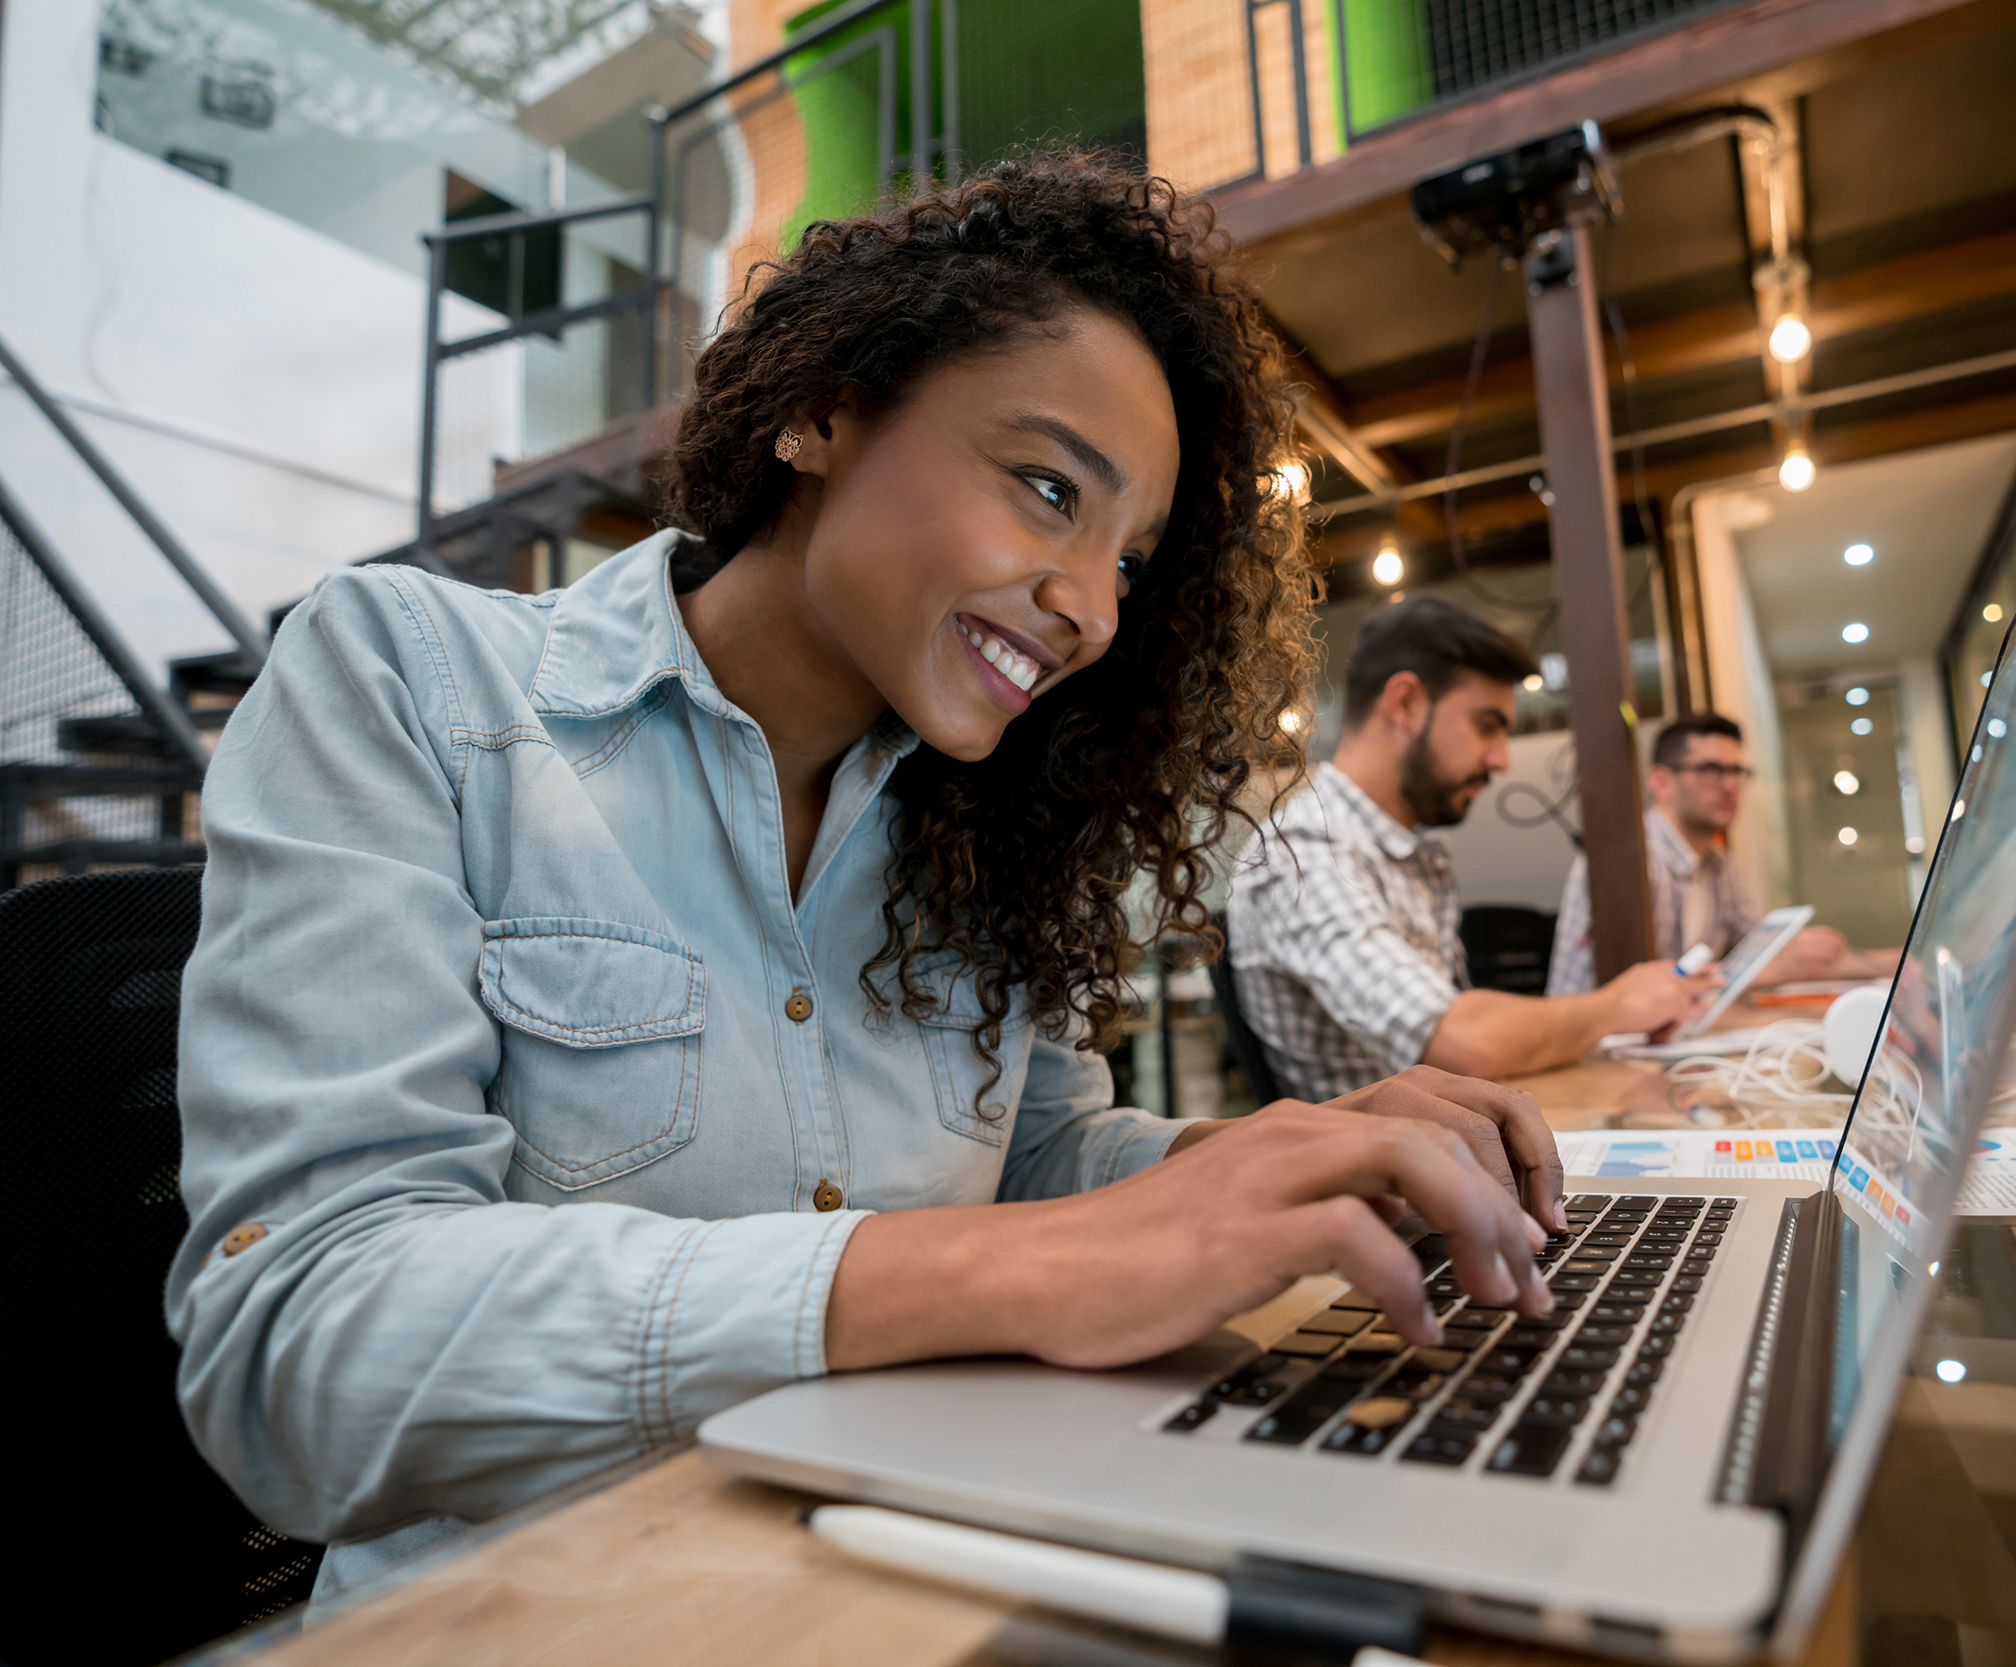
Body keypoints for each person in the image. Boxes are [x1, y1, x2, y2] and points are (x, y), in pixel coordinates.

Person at [169, 159, 1564, 1599]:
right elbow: (293, 1354)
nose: (1089, 607)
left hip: (918, 1574)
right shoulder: (412, 678)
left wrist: (1299, 1163)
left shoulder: (986, 828)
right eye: (1045, 489)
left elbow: (1043, 1172)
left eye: (1129, 560)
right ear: (821, 407)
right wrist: (990, 1272)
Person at [1227, 597, 1715, 1102]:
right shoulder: (1302, 851)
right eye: (1486, 726)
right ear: (1405, 704)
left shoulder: (1409, 846)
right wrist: (1619, 1005)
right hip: (1381, 1169)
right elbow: (1461, 1040)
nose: (1501, 760)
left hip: (1444, 1143)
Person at [1546, 714, 1893, 996]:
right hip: (1594, 1058)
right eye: (1711, 771)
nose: (1729, 786)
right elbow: (1619, 997)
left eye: (1736, 772)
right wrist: (1761, 968)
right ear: (1662, 781)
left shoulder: (1716, 863)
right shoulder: (1627, 859)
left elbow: (1766, 947)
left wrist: (1891, 963)